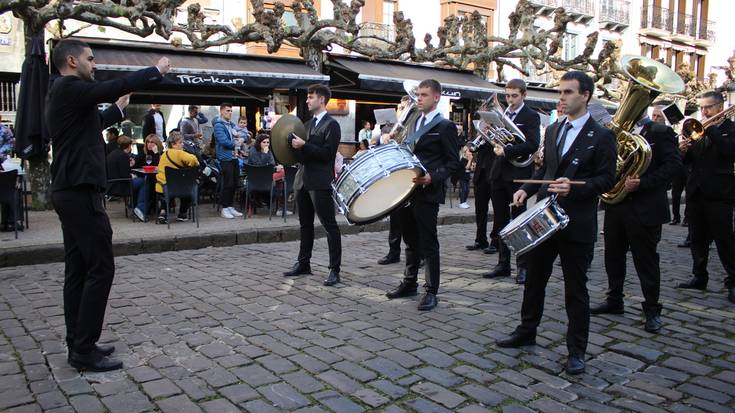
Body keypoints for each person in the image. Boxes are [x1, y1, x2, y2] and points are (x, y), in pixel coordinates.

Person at [45, 38, 168, 371]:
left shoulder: (64, 94)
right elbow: (116, 84)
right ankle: (83, 349)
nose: (94, 63)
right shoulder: (69, 88)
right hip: (79, 191)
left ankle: (79, 342)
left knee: (79, 269)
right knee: (101, 267)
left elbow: (92, 124)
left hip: (71, 190)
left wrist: (118, 108)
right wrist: (154, 71)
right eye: (90, 58)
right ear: (72, 61)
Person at [495, 71, 616, 375]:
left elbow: (607, 178)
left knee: (576, 289)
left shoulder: (602, 135)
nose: (561, 98)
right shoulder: (553, 130)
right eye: (560, 92)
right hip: (544, 219)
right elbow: (546, 171)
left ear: (585, 95)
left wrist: (578, 186)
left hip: (577, 223)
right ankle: (527, 330)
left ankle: (577, 350)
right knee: (534, 279)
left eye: (568, 92)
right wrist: (527, 188)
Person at [591, 113, 682, 333]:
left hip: (645, 206)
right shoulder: (615, 133)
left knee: (646, 260)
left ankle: (652, 310)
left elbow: (674, 165)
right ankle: (615, 299)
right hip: (617, 204)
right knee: (613, 255)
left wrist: (643, 182)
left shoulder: (661, 132)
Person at [385, 79, 460, 311]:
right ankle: (409, 282)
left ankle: (431, 290)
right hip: (406, 189)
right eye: (418, 94)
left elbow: (453, 163)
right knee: (409, 240)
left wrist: (433, 177)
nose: (419, 98)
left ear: (436, 97)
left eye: (424, 95)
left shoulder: (445, 126)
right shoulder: (412, 121)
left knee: (428, 242)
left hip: (427, 191)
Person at [677, 91, 735, 303]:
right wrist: (684, 151)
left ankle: (733, 282)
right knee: (697, 238)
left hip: (719, 193)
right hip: (696, 191)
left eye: (708, 107)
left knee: (724, 239)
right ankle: (699, 276)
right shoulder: (697, 130)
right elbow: (691, 160)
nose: (703, 112)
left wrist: (712, 131)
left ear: (720, 107)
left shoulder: (730, 129)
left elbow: (730, 152)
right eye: (701, 108)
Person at [283, 84, 343, 287]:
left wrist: (304, 145)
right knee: (305, 226)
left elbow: (327, 154)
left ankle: (334, 270)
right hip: (303, 181)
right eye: (307, 97)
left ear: (322, 100)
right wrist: (292, 145)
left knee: (330, 226)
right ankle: (303, 263)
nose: (307, 101)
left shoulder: (332, 125)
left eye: (310, 97)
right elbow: (301, 154)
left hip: (320, 182)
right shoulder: (306, 125)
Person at [484, 79, 541, 284]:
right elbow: (497, 139)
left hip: (518, 174)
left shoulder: (531, 116)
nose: (510, 100)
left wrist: (507, 150)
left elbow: (533, 144)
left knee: (519, 221)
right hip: (498, 173)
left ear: (524, 95)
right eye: (507, 95)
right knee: (500, 221)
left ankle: (523, 267)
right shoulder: (504, 114)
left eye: (514, 96)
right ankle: (503, 264)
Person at [466, 121, 499, 255]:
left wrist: (491, 136)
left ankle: (495, 241)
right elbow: (473, 148)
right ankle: (480, 239)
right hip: (481, 175)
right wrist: (481, 136)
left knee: (498, 211)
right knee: (480, 210)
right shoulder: (482, 134)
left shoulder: (499, 132)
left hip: (495, 174)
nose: (484, 123)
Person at [155, 131, 200, 224]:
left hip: (162, 187)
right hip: (179, 188)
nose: (182, 144)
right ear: (173, 144)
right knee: (188, 190)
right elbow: (194, 160)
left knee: (167, 192)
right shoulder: (179, 153)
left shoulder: (163, 155)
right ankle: (182, 214)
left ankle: (163, 212)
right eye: (180, 142)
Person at [213, 103, 243, 219]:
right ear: (221, 111)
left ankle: (230, 206)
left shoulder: (231, 124)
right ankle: (224, 209)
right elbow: (223, 141)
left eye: (231, 111)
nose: (230, 113)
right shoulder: (218, 125)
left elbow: (242, 134)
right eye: (227, 111)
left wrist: (241, 138)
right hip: (225, 158)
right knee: (228, 183)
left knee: (235, 183)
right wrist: (237, 142)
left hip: (234, 157)